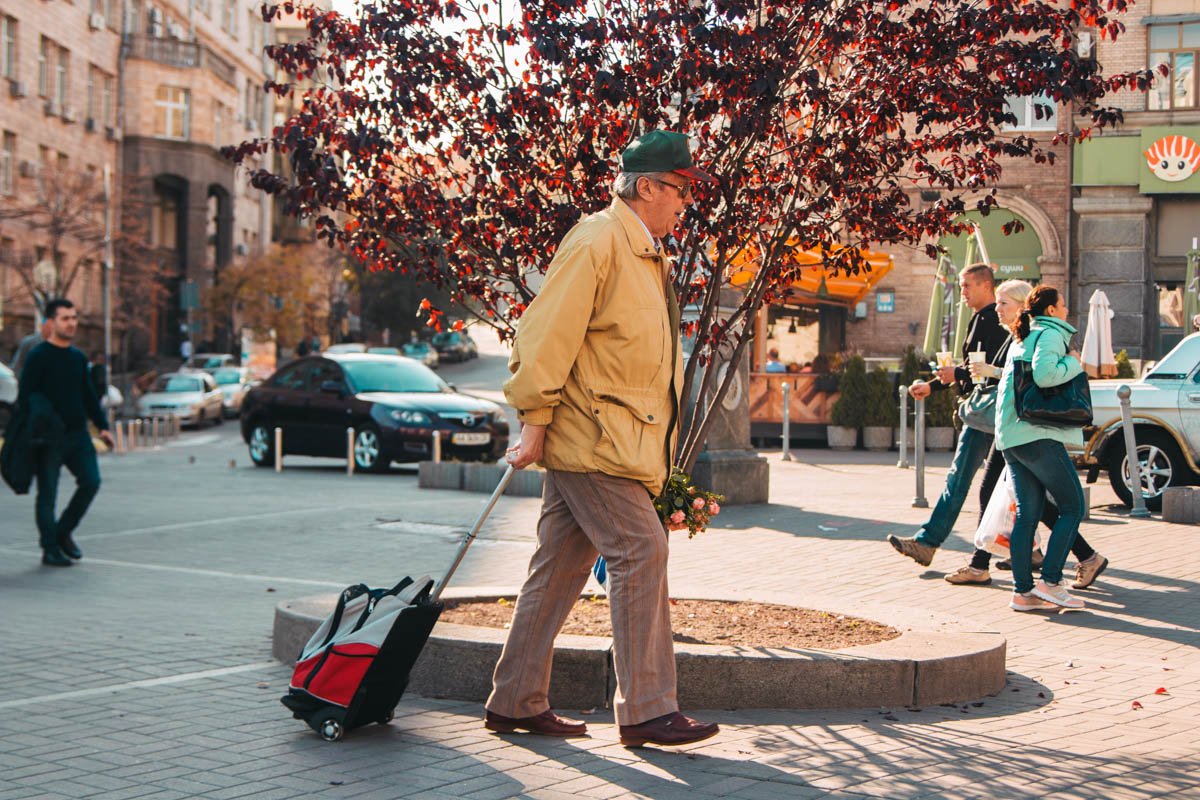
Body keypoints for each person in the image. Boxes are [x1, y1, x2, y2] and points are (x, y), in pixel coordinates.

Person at [485, 130, 720, 748]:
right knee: (642, 553)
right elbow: (544, 336)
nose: (683, 204)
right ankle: (647, 708)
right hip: (595, 437)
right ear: (646, 187)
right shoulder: (598, 240)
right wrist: (535, 421)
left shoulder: (642, 253)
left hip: (612, 437)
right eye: (678, 190)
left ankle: (514, 700)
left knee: (559, 569)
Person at [941, 280, 1107, 588]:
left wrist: (1072, 363)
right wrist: (1073, 364)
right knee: (1032, 505)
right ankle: (1038, 578)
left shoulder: (1034, 336)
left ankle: (1026, 578)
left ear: (1023, 305)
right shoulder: (1026, 336)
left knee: (1029, 504)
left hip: (1021, 428)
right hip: (1018, 429)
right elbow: (1025, 377)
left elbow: (1036, 377)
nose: (997, 309)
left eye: (1003, 303)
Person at [888, 263, 1009, 566]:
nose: (962, 293)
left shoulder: (989, 320)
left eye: (967, 286)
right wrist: (934, 385)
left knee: (961, 481)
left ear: (985, 285)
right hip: (992, 410)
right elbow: (971, 372)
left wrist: (954, 373)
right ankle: (1033, 551)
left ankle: (928, 542)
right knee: (1005, 487)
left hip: (983, 412)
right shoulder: (987, 319)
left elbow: (978, 373)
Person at [994, 285, 1088, 611]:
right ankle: (1051, 582)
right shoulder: (1049, 333)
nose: (1066, 311)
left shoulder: (1023, 334)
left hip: (1011, 435)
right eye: (1063, 305)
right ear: (1050, 310)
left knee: (1029, 515)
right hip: (1037, 434)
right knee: (1073, 507)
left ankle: (1023, 593)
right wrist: (1075, 362)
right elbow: (1046, 375)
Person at [17, 299, 114, 567]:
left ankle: (62, 532)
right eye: (65, 318)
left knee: (91, 482)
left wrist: (103, 426)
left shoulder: (77, 358)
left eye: (74, 318)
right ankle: (50, 549)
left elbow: (88, 395)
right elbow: (25, 397)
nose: (71, 323)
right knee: (47, 495)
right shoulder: (38, 357)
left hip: (77, 434)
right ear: (51, 323)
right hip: (48, 437)